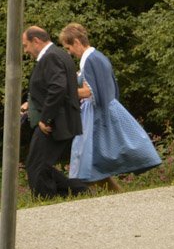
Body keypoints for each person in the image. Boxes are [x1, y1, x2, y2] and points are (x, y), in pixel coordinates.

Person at [59, 23, 160, 191]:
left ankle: (88, 192)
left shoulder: (91, 59)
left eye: (68, 48)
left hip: (98, 113)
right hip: (102, 110)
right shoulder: (97, 57)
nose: (69, 53)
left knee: (90, 155)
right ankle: (110, 192)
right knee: (93, 157)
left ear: (77, 42)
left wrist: (66, 92)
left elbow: (90, 92)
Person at [20, 26, 85, 199]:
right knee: (40, 163)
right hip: (61, 119)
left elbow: (57, 87)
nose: (26, 51)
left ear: (36, 41)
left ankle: (46, 199)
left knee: (36, 165)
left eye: (26, 45)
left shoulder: (50, 57)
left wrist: (45, 118)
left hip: (55, 121)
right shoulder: (58, 54)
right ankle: (77, 191)